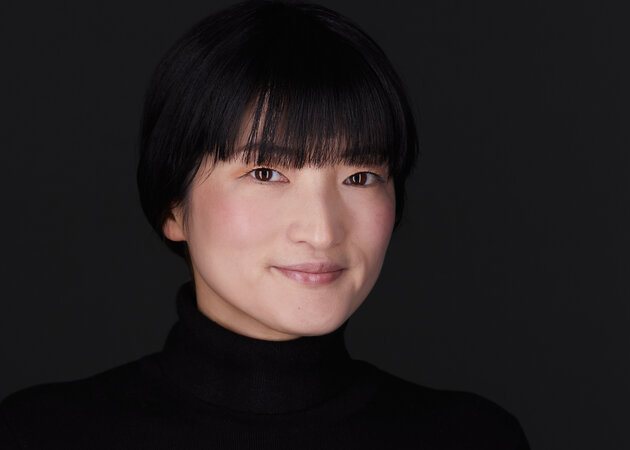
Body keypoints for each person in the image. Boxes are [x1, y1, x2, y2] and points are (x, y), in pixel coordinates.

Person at [0, 1, 530, 448]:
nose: (322, 231)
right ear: (173, 208)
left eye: (361, 176)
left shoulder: (473, 438)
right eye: (266, 172)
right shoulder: (41, 433)